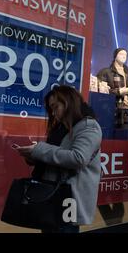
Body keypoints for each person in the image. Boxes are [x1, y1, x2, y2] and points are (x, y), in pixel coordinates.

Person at [15, 85, 102, 233]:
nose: (54, 113)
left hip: (68, 199)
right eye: (51, 109)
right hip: (52, 196)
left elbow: (78, 158)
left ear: (69, 102)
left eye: (56, 107)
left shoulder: (89, 126)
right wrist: (33, 155)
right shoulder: (62, 127)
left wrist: (39, 150)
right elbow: (56, 156)